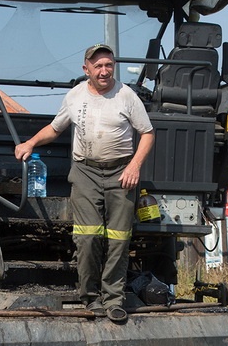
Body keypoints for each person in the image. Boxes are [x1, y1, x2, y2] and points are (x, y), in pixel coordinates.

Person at [14, 43, 154, 324]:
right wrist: (30, 142)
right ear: (86, 69)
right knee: (88, 237)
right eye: (98, 66)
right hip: (86, 172)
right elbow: (55, 129)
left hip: (120, 174)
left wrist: (134, 165)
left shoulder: (127, 96)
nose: (104, 71)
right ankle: (91, 298)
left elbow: (147, 133)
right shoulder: (75, 96)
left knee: (118, 239)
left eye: (108, 65)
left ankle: (114, 300)